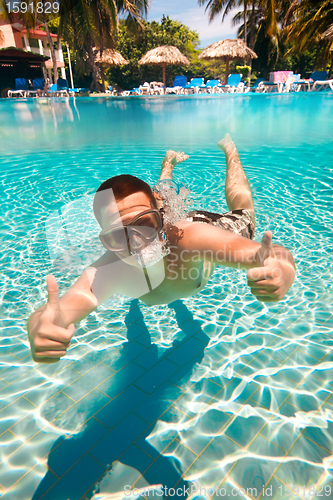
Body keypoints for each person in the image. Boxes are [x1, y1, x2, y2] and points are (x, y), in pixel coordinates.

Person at [27, 134, 296, 363]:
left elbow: (270, 255)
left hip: (196, 225)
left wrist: (280, 270)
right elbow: (62, 311)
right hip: (158, 211)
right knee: (161, 196)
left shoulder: (191, 240)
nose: (138, 244)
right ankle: (168, 164)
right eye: (120, 236)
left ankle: (230, 150)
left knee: (244, 210)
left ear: (159, 219)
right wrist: (42, 325)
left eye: (145, 224)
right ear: (106, 242)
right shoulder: (111, 267)